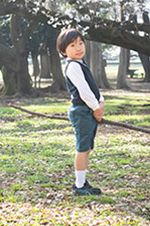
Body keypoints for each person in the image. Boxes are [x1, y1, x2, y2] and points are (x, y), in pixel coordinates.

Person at [57, 28, 104, 195]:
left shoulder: (80, 64)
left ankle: (82, 181)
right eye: (72, 45)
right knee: (82, 148)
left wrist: (101, 101)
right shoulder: (72, 66)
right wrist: (96, 108)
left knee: (87, 147)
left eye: (80, 43)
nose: (78, 48)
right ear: (63, 51)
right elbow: (84, 91)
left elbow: (92, 87)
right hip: (82, 111)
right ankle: (79, 185)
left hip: (89, 109)